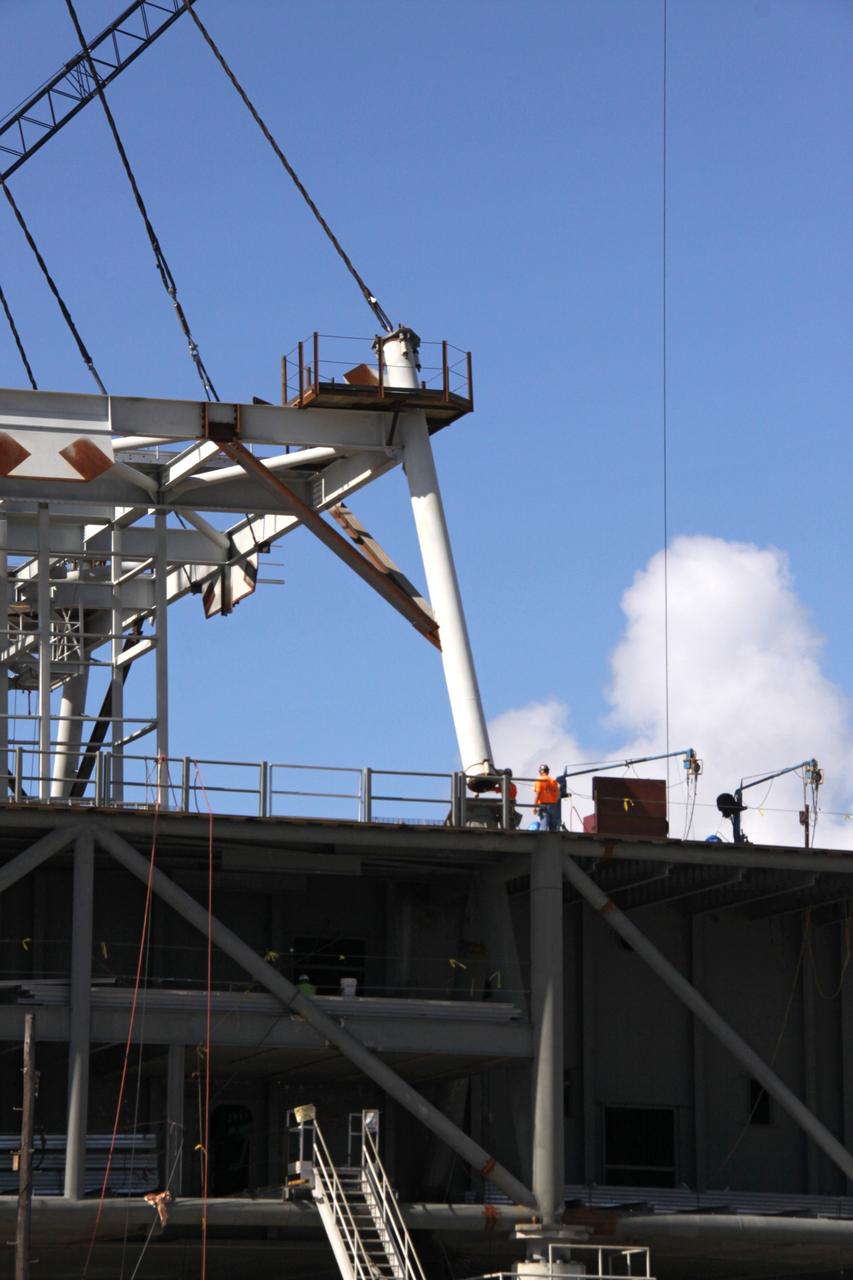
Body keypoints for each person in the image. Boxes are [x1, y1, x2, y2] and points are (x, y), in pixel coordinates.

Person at [533, 764, 560, 831]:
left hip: (543, 805)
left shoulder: (539, 780)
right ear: (547, 771)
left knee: (544, 827)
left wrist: (534, 806)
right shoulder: (553, 781)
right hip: (553, 805)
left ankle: (544, 840)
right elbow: (557, 794)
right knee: (553, 828)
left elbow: (538, 793)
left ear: (540, 771)